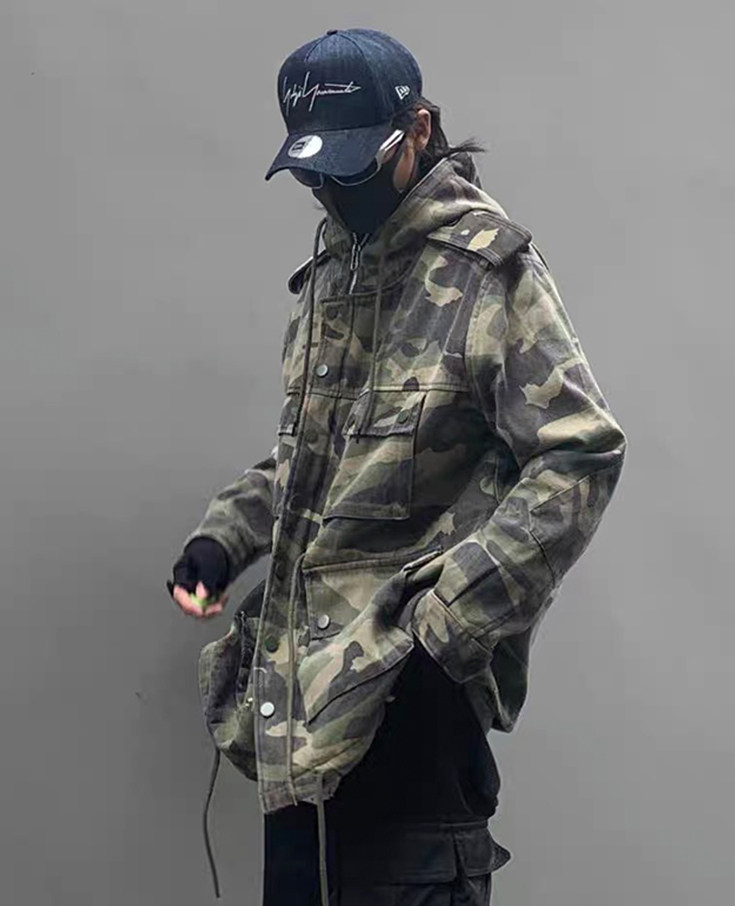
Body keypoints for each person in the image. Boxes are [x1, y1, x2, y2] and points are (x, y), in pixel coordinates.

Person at [168, 27, 627, 906]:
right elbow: (314, 457)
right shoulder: (330, 279)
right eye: (315, 175)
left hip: (408, 724)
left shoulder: (485, 271)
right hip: (297, 723)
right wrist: (222, 541)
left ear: (416, 129)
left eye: (353, 170)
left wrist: (442, 629)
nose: (334, 194)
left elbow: (580, 454)